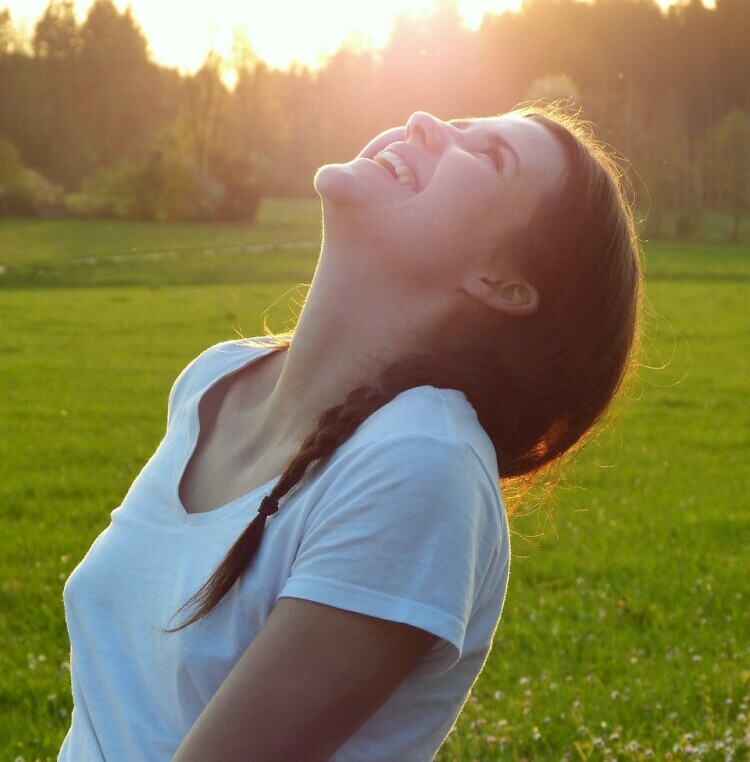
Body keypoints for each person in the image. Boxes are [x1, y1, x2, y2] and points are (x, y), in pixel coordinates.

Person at [59, 107, 641, 761]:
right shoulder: (215, 380)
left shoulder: (423, 464)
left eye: (489, 155)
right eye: (460, 118)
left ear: (503, 285)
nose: (425, 119)